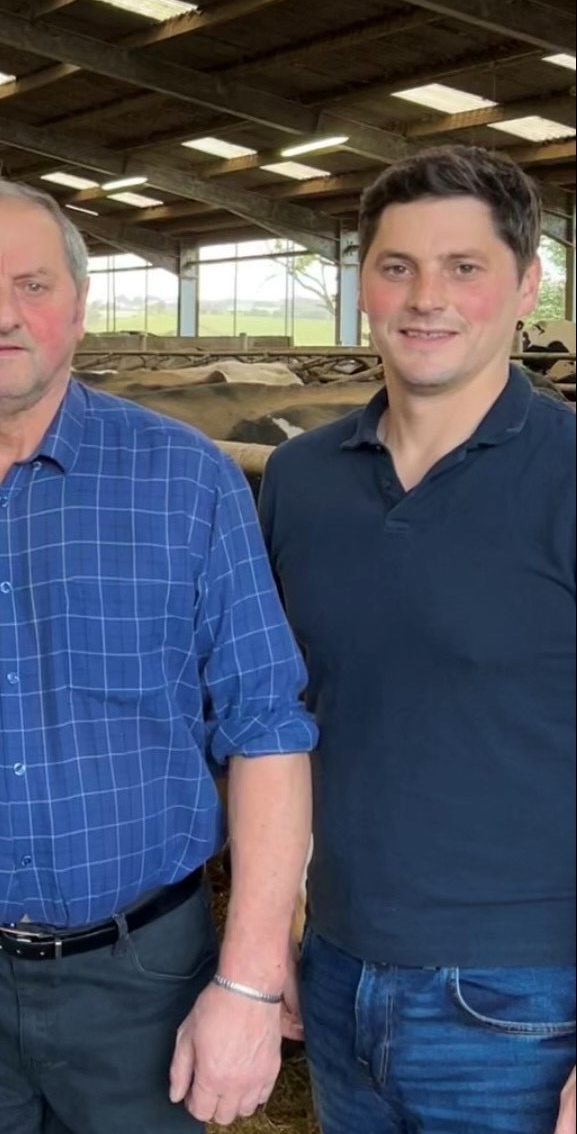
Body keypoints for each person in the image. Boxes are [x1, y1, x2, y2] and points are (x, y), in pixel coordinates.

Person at [0, 178, 317, 1133]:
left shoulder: (188, 480)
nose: (2, 313)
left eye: (33, 285)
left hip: (144, 973)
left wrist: (248, 979)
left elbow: (267, 725)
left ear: (78, 308)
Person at [260, 145, 575, 1134]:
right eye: (398, 267)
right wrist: (273, 939)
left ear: (526, 285)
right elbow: (285, 721)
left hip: (528, 1001)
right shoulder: (301, 481)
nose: (425, 297)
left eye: (465, 267)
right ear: (363, 287)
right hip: (342, 972)